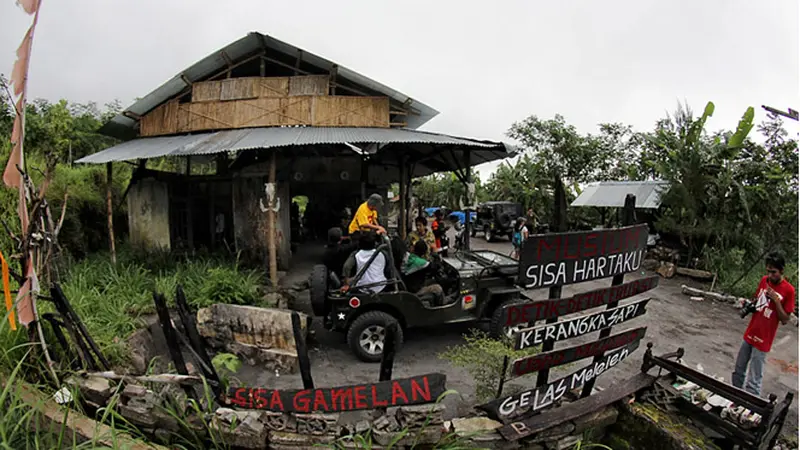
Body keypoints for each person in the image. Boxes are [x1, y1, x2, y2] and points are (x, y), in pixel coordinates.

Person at [732, 252, 795, 396]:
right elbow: (756, 301)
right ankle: (735, 397)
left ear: (782, 271)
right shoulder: (764, 281)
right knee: (739, 369)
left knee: (754, 377)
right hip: (751, 332)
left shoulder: (789, 290)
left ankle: (751, 405)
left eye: (774, 272)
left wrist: (776, 301)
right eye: (768, 271)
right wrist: (750, 306)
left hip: (764, 338)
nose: (770, 275)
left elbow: (785, 319)